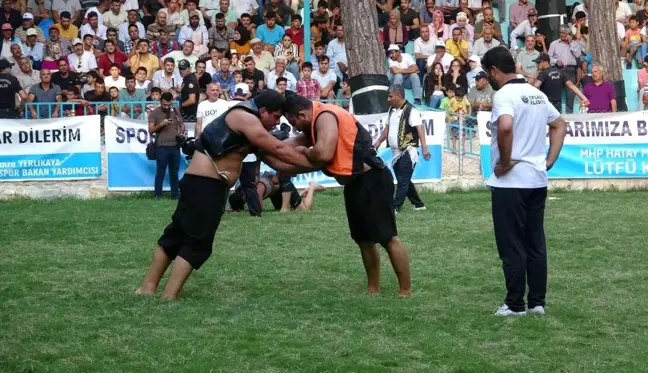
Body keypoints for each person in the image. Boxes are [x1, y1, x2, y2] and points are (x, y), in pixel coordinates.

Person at [135, 90, 316, 300]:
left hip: (203, 185)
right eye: (275, 117)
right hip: (205, 186)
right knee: (196, 241)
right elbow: (277, 148)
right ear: (263, 111)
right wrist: (320, 159)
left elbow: (278, 157)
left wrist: (313, 149)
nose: (276, 124)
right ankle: (169, 295)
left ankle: (148, 287)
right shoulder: (243, 116)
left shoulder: (250, 125)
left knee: (176, 235)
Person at [263, 95, 412, 296]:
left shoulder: (325, 116)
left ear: (302, 114)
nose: (295, 127)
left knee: (387, 237)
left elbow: (323, 153)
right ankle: (373, 289)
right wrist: (262, 147)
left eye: (294, 122)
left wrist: (305, 151)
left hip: (373, 179)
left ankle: (405, 290)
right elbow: (290, 144)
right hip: (354, 184)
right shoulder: (312, 124)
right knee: (364, 240)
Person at [481, 46, 567, 316]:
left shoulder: (505, 95)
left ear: (494, 71)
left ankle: (515, 304)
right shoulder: (536, 93)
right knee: (535, 242)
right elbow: (560, 124)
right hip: (537, 180)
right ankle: (537, 302)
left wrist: (505, 162)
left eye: (488, 73)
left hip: (511, 184)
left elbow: (505, 127)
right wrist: (549, 160)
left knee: (511, 243)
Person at [374, 84, 430, 213]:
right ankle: (418, 204)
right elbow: (387, 129)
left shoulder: (412, 111)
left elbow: (420, 129)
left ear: (399, 96)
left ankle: (395, 207)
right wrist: (378, 142)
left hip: (408, 151)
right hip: (395, 153)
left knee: (403, 181)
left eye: (390, 96)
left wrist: (425, 148)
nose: (388, 99)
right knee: (403, 179)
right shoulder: (391, 110)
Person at [228, 170, 326, 212]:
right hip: (274, 190)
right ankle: (301, 194)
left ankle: (312, 187)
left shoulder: (257, 191)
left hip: (283, 187)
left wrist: (244, 211)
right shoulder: (239, 187)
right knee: (284, 209)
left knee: (304, 209)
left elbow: (258, 208)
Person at [148, 92, 184, 199]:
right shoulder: (155, 112)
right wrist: (161, 124)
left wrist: (181, 132)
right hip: (161, 146)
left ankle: (175, 194)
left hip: (175, 146)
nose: (167, 107)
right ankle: (158, 194)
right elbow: (150, 130)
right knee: (161, 171)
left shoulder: (176, 111)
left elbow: (182, 124)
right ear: (160, 102)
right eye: (164, 105)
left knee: (174, 172)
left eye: (169, 105)